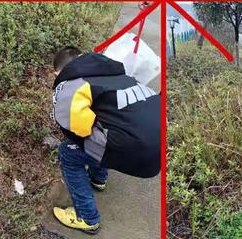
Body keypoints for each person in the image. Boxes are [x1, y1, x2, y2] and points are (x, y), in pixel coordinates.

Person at [51, 47, 161, 234]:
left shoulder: (74, 83)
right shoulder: (116, 74)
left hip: (138, 148)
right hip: (159, 143)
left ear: (58, 72)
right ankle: (98, 178)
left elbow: (76, 127)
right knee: (104, 124)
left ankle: (87, 217)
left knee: (69, 151)